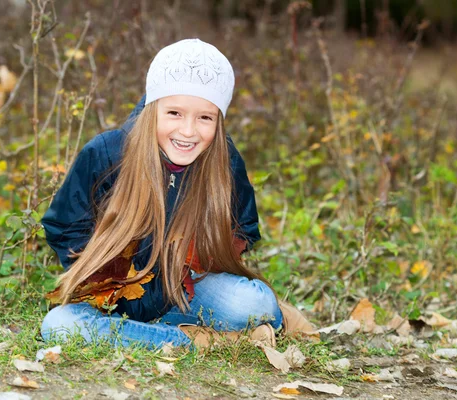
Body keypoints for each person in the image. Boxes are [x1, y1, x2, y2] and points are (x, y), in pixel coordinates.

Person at [41, 38, 313, 349]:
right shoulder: (106, 152)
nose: (187, 130)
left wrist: (200, 257)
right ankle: (199, 340)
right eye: (174, 113)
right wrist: (102, 273)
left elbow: (245, 227)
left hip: (186, 292)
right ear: (152, 108)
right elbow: (63, 224)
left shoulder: (224, 159)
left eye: (204, 118)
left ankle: (148, 333)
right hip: (114, 294)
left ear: (219, 121)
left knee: (256, 304)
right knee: (60, 326)